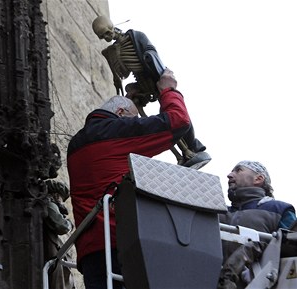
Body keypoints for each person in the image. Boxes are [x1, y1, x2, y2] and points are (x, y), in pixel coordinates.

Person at [67, 68, 193, 289]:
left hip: (91, 252)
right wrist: (168, 90)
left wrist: (131, 100)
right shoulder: (117, 131)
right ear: (122, 115)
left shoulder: (79, 143)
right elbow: (178, 121)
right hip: (123, 244)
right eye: (133, 118)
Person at [92, 15, 211, 170]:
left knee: (172, 114)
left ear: (112, 26)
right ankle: (180, 155)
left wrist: (161, 78)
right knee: (150, 123)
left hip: (154, 79)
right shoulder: (111, 52)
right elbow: (121, 75)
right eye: (103, 36)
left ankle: (191, 149)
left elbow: (150, 53)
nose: (107, 37)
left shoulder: (136, 36)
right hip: (139, 85)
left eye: (107, 32)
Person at [218, 160, 297, 289]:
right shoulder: (218, 211)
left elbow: (291, 246)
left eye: (238, 170)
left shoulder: (278, 209)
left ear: (258, 179)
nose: (229, 175)